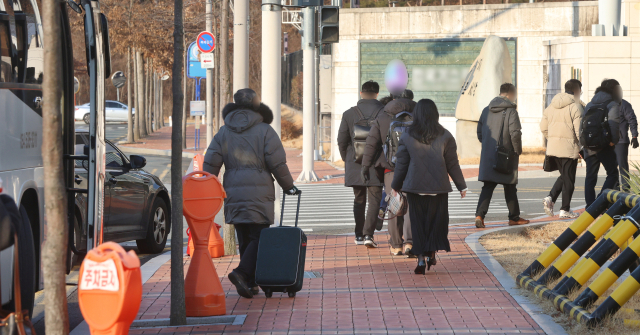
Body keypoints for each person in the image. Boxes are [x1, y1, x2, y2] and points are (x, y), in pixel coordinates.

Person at [203, 88, 298, 299]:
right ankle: (241, 273)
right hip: (259, 189)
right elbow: (277, 163)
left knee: (244, 235)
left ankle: (251, 282)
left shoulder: (223, 132)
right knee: (260, 236)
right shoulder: (265, 130)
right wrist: (288, 186)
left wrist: (206, 185)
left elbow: (211, 163)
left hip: (233, 190)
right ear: (256, 104)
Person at [391, 99, 467, 274]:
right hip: (438, 188)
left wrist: (395, 185)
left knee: (418, 224)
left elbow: (401, 164)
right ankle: (431, 254)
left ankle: (419, 259)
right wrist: (461, 186)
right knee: (436, 223)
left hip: (415, 188)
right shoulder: (446, 135)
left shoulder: (407, 136)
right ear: (435, 114)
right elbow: (452, 164)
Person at [361, 89, 416, 256]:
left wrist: (365, 165)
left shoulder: (383, 116)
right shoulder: (419, 115)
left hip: (390, 168)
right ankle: (410, 243)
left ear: (393, 99)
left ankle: (396, 245)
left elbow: (371, 143)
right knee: (411, 204)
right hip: (414, 167)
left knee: (394, 204)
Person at [337, 81, 385, 247]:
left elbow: (341, 141)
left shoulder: (349, 114)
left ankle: (358, 235)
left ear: (361, 93)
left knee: (359, 199)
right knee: (374, 200)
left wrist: (348, 159)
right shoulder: (384, 112)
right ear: (377, 94)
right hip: (376, 162)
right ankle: (368, 235)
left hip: (355, 162)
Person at [475, 83, 529, 228]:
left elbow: (479, 131)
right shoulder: (511, 111)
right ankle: (514, 217)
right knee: (510, 185)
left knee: (488, 186)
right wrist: (517, 150)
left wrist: (487, 145)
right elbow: (515, 133)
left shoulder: (486, 110)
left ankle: (479, 215)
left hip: (488, 155)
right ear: (511, 93)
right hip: (506, 155)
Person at [540, 79, 584, 218]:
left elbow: (543, 127)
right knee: (569, 180)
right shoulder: (575, 107)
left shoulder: (551, 106)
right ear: (577, 91)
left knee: (565, 176)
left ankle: (550, 198)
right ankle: (565, 209)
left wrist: (552, 139)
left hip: (553, 148)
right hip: (569, 149)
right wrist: (581, 147)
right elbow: (579, 131)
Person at [582, 79, 623, 207]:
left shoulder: (589, 104)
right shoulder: (611, 104)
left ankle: (590, 205)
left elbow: (581, 126)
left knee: (590, 176)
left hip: (589, 146)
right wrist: (613, 141)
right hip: (605, 145)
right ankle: (600, 201)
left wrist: (583, 144)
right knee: (612, 174)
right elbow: (614, 124)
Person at [616, 99, 639, 191]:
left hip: (620, 142)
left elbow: (632, 119)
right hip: (607, 142)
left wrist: (634, 136)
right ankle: (614, 193)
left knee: (622, 166)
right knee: (611, 170)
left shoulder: (624, 104)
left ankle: (625, 191)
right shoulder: (605, 103)